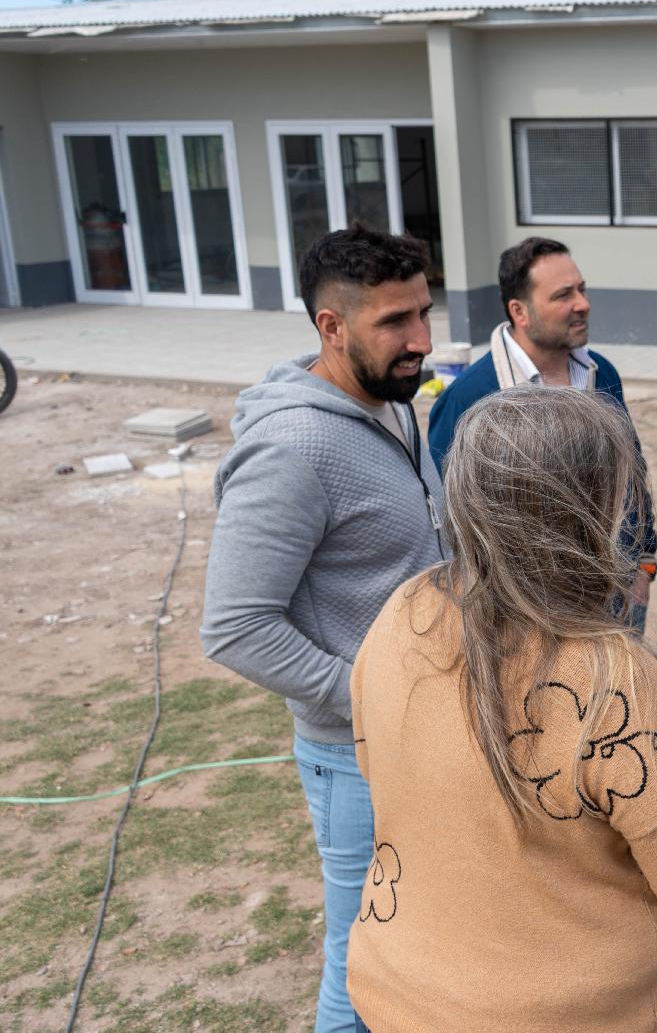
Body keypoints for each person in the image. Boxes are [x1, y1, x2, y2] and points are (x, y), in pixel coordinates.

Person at [346, 387, 657, 1032]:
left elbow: (373, 761)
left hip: (396, 992)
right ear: (589, 512)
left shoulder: (407, 610)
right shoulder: (615, 677)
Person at [201, 226, 445, 1033]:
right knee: (360, 961)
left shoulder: (391, 404)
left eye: (423, 312)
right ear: (331, 328)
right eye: (394, 323)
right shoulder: (293, 446)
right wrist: (372, 696)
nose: (421, 340)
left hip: (422, 736)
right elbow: (235, 626)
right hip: (355, 759)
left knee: (418, 941)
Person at [428, 237, 657, 630]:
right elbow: (450, 525)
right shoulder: (469, 396)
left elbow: (631, 473)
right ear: (519, 310)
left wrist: (644, 565)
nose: (582, 303)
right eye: (563, 295)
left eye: (581, 289)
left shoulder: (601, 373)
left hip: (616, 597)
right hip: (527, 618)